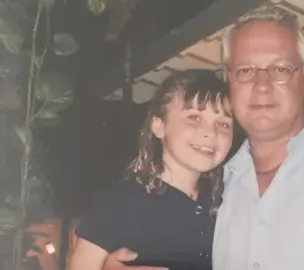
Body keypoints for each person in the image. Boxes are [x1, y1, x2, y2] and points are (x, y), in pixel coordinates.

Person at [104, 5, 304, 270]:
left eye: (279, 69)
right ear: (229, 82)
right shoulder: (217, 186)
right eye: (246, 70)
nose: (261, 85)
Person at [68, 69, 234, 270]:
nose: (210, 132)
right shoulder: (121, 203)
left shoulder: (226, 201)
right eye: (195, 117)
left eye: (224, 124)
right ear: (158, 126)